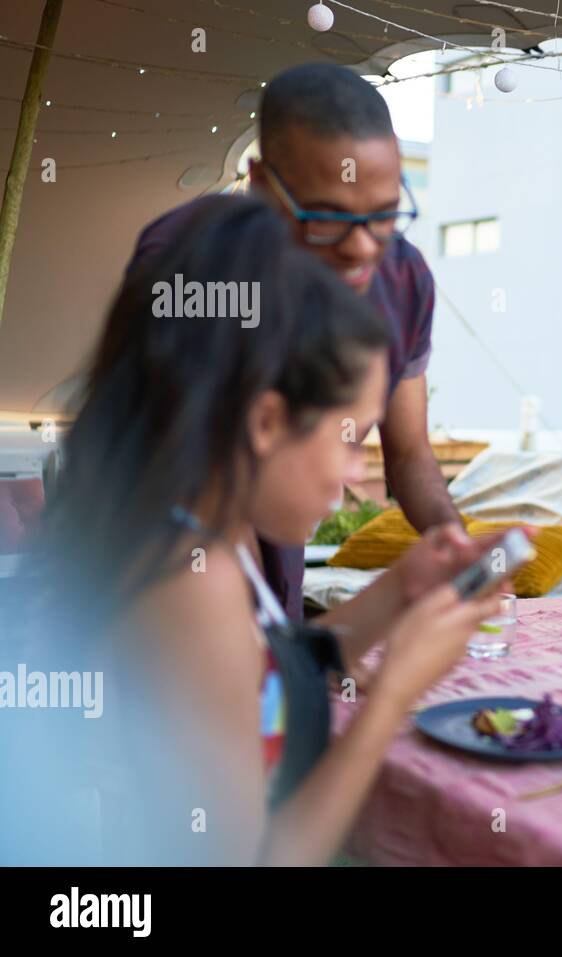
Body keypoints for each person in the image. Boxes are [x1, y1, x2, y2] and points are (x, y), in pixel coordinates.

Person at [25, 198, 504, 865]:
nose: (356, 470)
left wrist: (401, 591)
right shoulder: (190, 583)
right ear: (266, 421)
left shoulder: (200, 532)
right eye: (346, 437)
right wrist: (393, 693)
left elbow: (266, 673)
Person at [126, 63, 459, 620]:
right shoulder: (186, 266)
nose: (361, 249)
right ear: (261, 186)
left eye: (383, 216)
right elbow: (188, 472)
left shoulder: (401, 279)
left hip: (269, 627)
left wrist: (455, 546)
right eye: (326, 217)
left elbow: (409, 451)